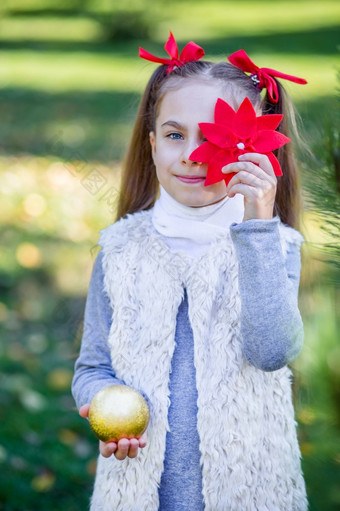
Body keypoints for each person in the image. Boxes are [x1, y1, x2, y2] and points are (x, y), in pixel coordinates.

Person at [72, 32, 308, 511]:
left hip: (251, 492)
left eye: (214, 138)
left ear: (256, 149)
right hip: (137, 492)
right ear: (153, 142)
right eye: (176, 135)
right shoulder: (119, 250)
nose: (194, 155)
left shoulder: (273, 245)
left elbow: (271, 352)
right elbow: (92, 367)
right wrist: (103, 402)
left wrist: (258, 225)